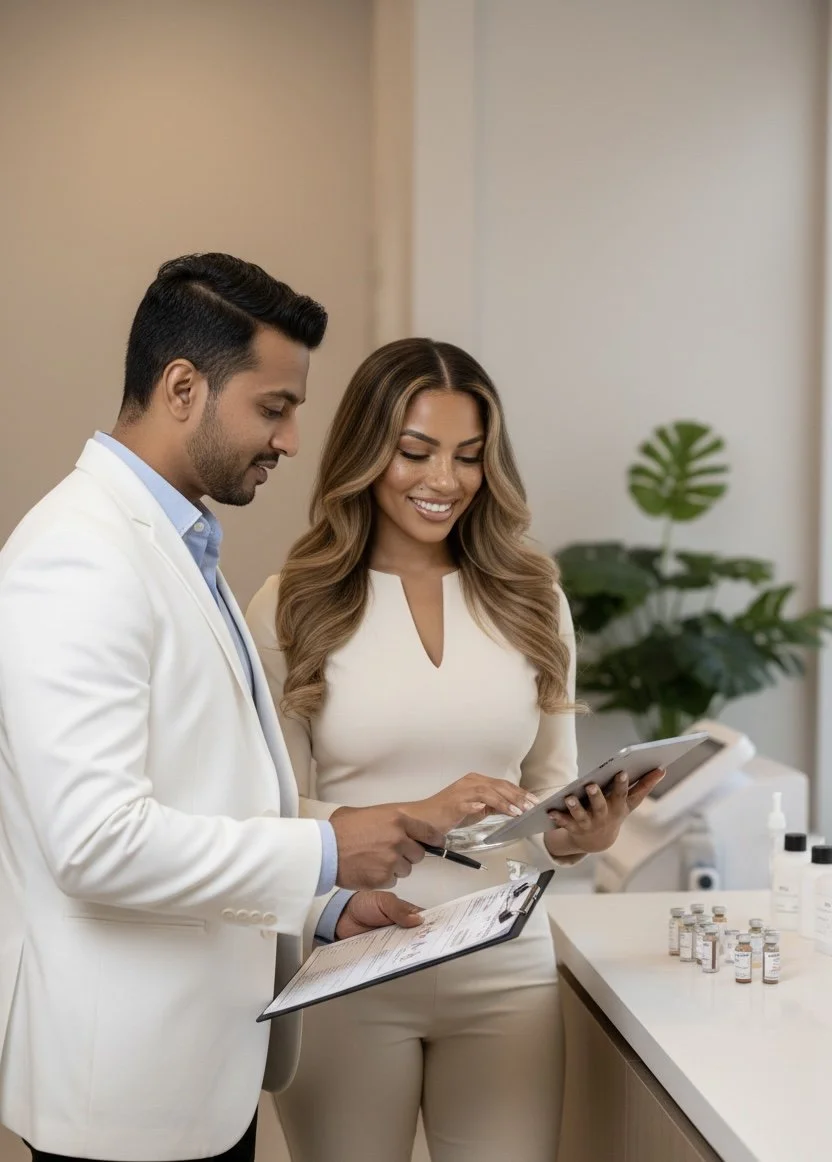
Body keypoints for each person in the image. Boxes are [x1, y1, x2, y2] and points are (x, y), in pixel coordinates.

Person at [0, 255, 459, 1162]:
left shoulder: (178, 542)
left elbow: (206, 793)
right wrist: (328, 848)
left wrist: (326, 904)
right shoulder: (78, 556)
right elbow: (97, 841)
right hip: (125, 1092)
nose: (291, 440)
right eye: (274, 407)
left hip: (200, 1074)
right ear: (182, 387)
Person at [247, 338, 664, 1162]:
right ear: (368, 452)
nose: (444, 480)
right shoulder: (290, 605)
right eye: (416, 452)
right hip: (348, 960)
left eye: (469, 457)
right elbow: (264, 816)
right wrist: (410, 815)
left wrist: (581, 834)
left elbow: (543, 795)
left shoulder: (532, 598)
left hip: (505, 964)